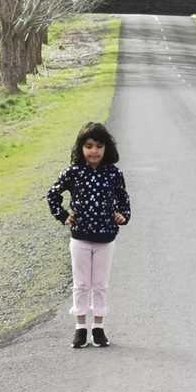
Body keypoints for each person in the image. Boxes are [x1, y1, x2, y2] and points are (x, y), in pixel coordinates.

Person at [47, 121, 131, 349]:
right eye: (89, 145)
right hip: (80, 238)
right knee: (82, 284)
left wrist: (123, 215)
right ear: (81, 147)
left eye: (99, 146)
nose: (94, 150)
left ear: (106, 148)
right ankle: (81, 328)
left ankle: (99, 327)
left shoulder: (113, 173)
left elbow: (123, 199)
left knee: (100, 284)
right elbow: (53, 194)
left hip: (106, 238)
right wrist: (63, 216)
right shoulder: (73, 173)